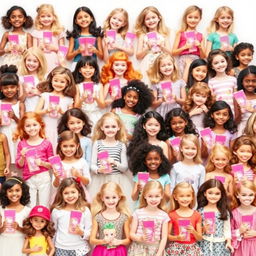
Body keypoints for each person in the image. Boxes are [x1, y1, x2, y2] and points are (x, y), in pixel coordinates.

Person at [89, 112, 132, 207]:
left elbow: (124, 168)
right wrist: (98, 170)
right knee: (100, 204)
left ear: (118, 127)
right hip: (100, 180)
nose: (110, 129)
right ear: (102, 128)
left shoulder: (121, 145)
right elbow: (92, 164)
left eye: (113, 126)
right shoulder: (97, 143)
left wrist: (115, 163)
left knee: (117, 204)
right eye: (107, 127)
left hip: (117, 179)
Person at [14, 112, 53, 207]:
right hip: (29, 178)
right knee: (30, 206)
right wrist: (23, 157)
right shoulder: (22, 144)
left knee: (44, 205)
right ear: (23, 128)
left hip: (43, 177)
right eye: (28, 126)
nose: (32, 128)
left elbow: (52, 165)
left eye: (34, 125)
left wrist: (42, 163)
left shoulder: (47, 143)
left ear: (40, 125)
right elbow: (19, 166)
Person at [35, 66, 77, 152]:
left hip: (59, 131)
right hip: (45, 129)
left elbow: (71, 118)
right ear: (51, 80)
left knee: (56, 152)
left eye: (62, 82)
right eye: (56, 80)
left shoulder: (68, 99)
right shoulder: (45, 95)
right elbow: (36, 112)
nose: (58, 83)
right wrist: (46, 110)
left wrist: (62, 112)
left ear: (67, 83)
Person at [51, 178, 92, 256]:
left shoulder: (84, 210)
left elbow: (90, 233)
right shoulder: (57, 211)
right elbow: (53, 231)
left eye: (73, 192)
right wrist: (52, 248)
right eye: (66, 193)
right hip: (61, 248)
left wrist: (81, 232)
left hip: (80, 249)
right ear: (61, 195)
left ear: (79, 193)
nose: (70, 196)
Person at [129, 180, 169, 256]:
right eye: (150, 196)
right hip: (138, 250)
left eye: (157, 196)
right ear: (144, 196)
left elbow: (164, 238)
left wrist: (159, 253)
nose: (153, 199)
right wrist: (140, 238)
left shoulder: (164, 216)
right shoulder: (138, 213)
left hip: (155, 250)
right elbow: (131, 234)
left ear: (162, 196)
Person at [90, 182, 130, 256]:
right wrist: (103, 241)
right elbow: (92, 240)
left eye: (114, 197)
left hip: (118, 252)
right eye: (107, 197)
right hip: (101, 252)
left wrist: (119, 242)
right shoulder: (97, 217)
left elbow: (128, 240)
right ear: (102, 198)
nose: (111, 201)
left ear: (119, 197)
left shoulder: (124, 217)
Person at [134, 6, 171, 84]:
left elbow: (170, 54)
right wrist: (147, 47)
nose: (151, 21)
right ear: (144, 21)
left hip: (161, 64)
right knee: (148, 84)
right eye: (147, 19)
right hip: (147, 64)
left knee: (161, 86)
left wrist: (162, 47)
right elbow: (138, 56)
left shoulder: (164, 34)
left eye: (153, 17)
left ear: (159, 18)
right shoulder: (143, 35)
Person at [197, 179, 233, 255]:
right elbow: (197, 231)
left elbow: (227, 229)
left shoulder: (224, 212)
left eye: (217, 194)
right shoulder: (199, 211)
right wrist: (203, 229)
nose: (213, 196)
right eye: (210, 193)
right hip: (204, 245)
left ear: (221, 195)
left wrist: (228, 242)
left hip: (220, 246)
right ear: (205, 193)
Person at [165, 182, 202, 255]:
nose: (185, 199)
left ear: (192, 197)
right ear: (175, 197)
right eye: (181, 196)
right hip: (176, 248)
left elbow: (200, 238)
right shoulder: (171, 215)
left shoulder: (197, 215)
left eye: (188, 196)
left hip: (192, 249)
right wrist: (177, 238)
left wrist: (193, 231)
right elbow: (167, 236)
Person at [0, 64, 24, 173]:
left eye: (12, 87)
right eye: (5, 88)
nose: (9, 90)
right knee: (6, 157)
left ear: (18, 87)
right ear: (1, 89)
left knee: (17, 158)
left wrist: (14, 117)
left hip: (16, 134)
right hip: (4, 133)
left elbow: (24, 124)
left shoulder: (20, 104)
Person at [53, 131, 91, 199]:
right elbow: (55, 185)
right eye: (65, 146)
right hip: (62, 196)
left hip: (79, 196)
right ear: (60, 147)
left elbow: (87, 182)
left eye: (72, 146)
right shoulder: (58, 163)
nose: (68, 149)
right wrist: (57, 178)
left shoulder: (82, 162)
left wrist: (79, 176)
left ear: (77, 146)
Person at [148, 53, 186, 118]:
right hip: (161, 112)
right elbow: (153, 105)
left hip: (176, 113)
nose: (167, 67)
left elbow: (185, 102)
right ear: (159, 68)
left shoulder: (180, 82)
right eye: (163, 66)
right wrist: (162, 99)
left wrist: (176, 99)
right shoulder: (156, 83)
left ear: (173, 65)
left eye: (169, 64)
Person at [0, 176, 30, 256]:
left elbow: (30, 232)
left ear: (22, 191)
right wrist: (2, 228)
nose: (14, 193)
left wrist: (18, 228)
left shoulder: (27, 211)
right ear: (5, 193)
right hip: (4, 243)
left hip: (19, 244)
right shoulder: (1, 209)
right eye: (10, 191)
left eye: (17, 190)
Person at [172, 5, 205, 77]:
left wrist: (199, 46)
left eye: (196, 17)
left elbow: (203, 56)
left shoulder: (201, 35)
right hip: (183, 60)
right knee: (183, 82)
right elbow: (173, 52)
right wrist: (185, 47)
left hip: (196, 61)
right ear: (185, 18)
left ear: (200, 19)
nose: (193, 20)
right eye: (190, 17)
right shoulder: (180, 33)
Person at [72, 56, 105, 127]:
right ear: (79, 70)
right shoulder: (78, 86)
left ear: (95, 70)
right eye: (84, 67)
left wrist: (96, 98)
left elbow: (102, 106)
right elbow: (76, 107)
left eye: (91, 68)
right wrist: (82, 99)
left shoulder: (99, 85)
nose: (88, 70)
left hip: (96, 116)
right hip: (83, 116)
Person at [32, 4, 65, 73]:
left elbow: (63, 50)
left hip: (55, 60)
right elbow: (34, 51)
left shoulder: (58, 32)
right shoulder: (36, 32)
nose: (46, 19)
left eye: (49, 16)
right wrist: (39, 48)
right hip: (41, 61)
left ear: (53, 17)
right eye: (43, 16)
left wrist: (55, 48)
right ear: (39, 18)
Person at [207, 49, 237, 115]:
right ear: (212, 66)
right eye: (216, 63)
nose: (220, 65)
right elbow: (211, 100)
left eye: (222, 61)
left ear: (227, 62)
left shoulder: (233, 79)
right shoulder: (211, 82)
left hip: (232, 114)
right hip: (219, 115)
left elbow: (237, 98)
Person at [231, 180, 256, 255]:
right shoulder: (234, 213)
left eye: (251, 195)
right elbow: (228, 233)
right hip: (240, 249)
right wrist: (239, 231)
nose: (247, 198)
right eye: (244, 195)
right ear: (237, 195)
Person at [19, 47, 47, 112]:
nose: (31, 63)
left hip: (41, 112)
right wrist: (25, 93)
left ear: (40, 63)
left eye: (35, 61)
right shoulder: (21, 78)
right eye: (29, 60)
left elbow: (50, 96)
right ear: (24, 61)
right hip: (27, 111)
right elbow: (20, 100)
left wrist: (39, 93)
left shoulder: (44, 77)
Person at [236, 66, 256, 137]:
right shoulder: (238, 96)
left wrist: (253, 110)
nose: (250, 84)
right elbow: (236, 121)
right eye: (247, 81)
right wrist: (240, 112)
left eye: (254, 81)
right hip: (242, 129)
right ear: (242, 81)